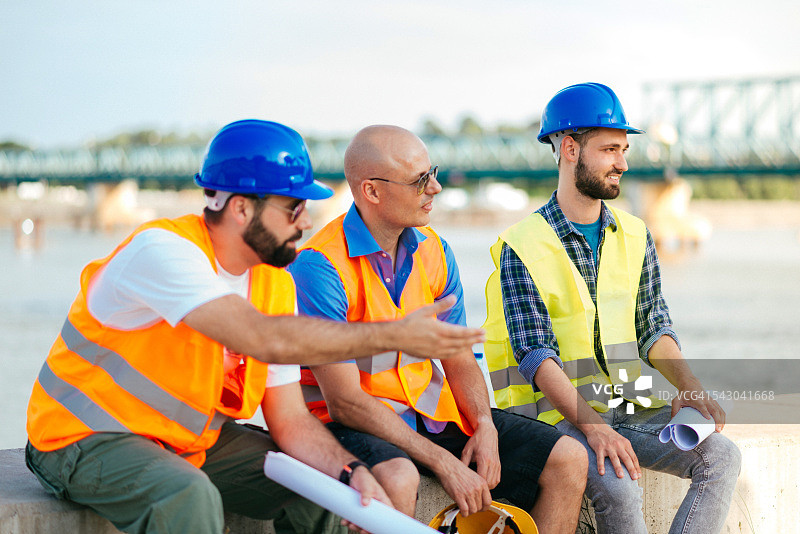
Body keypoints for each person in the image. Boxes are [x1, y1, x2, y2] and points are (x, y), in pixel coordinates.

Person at [25, 119, 486, 534]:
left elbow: (290, 420)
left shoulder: (272, 282)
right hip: (81, 439)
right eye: (292, 208)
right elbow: (260, 337)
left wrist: (350, 473)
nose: (305, 222)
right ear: (242, 208)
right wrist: (395, 335)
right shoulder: (164, 252)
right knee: (187, 497)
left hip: (187, 441)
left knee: (324, 491)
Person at [287, 125, 588, 534]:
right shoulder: (319, 267)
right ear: (372, 191)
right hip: (350, 424)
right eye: (419, 181)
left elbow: (459, 356)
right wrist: (443, 462)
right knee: (399, 477)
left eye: (433, 172)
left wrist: (482, 423)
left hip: (430, 417)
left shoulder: (434, 250)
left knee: (568, 458)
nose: (436, 187)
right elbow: (344, 402)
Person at [484, 83, 741, 533]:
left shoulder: (636, 233)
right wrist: (594, 428)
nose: (622, 162)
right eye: (608, 149)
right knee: (621, 487)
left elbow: (653, 324)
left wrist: (689, 384)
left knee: (722, 456)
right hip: (555, 418)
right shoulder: (521, 246)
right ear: (569, 149)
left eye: (623, 149)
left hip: (626, 406)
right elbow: (534, 356)